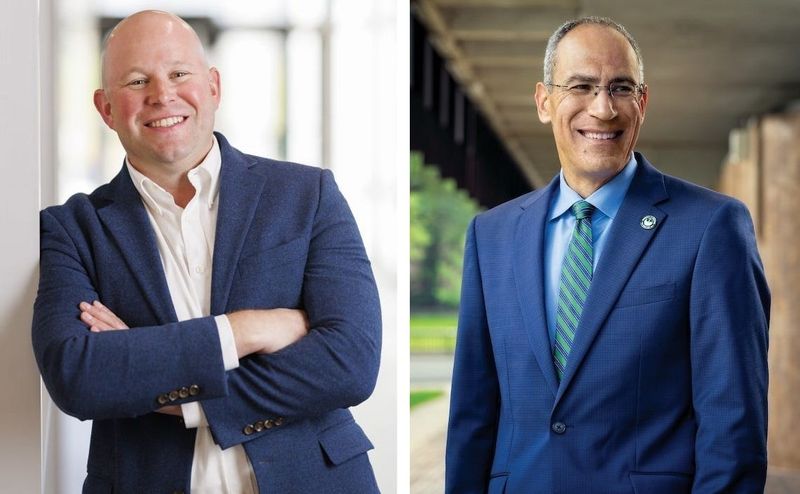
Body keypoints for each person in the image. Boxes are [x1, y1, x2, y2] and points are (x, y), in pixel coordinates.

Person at [32, 10, 381, 494]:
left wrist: (165, 387)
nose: (162, 95)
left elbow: (351, 363)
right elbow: (79, 375)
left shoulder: (307, 195)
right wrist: (247, 330)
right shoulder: (73, 228)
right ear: (107, 108)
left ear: (213, 86)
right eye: (136, 81)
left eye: (179, 73)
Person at [445, 16, 768, 494]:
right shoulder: (490, 235)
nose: (603, 109)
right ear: (543, 101)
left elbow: (733, 423)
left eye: (620, 88)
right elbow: (473, 414)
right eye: (581, 86)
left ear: (642, 102)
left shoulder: (711, 228)